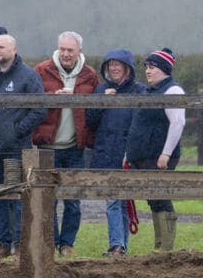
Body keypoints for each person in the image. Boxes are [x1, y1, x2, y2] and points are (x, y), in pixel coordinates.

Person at [0, 34, 46, 257]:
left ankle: (21, 245)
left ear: (14, 50)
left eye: (1, 47)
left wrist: (16, 131)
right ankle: (3, 244)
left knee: (20, 196)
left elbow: (39, 109)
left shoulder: (28, 76)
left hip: (15, 148)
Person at [32, 31, 100, 257]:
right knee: (47, 198)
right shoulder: (41, 70)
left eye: (70, 50)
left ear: (79, 51)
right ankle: (51, 242)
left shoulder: (90, 75)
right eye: (62, 49)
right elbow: (31, 101)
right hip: (47, 147)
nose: (66, 54)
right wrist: (52, 97)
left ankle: (67, 244)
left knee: (72, 200)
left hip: (74, 148)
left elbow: (95, 108)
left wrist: (77, 97)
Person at [85, 49, 145, 256]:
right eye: (110, 65)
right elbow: (90, 122)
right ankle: (118, 245)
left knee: (124, 201)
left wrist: (134, 152)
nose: (114, 68)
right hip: (106, 153)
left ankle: (120, 246)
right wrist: (101, 102)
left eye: (118, 64)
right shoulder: (101, 90)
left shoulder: (139, 90)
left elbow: (141, 123)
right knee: (112, 200)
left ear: (127, 67)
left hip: (128, 154)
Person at [125, 48, 184, 252]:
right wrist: (129, 153)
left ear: (164, 69)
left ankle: (166, 249)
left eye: (152, 67)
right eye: (147, 67)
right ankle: (159, 247)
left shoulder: (173, 91)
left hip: (159, 156)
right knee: (154, 199)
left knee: (161, 197)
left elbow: (177, 123)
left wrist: (166, 153)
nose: (148, 71)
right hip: (145, 156)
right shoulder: (152, 91)